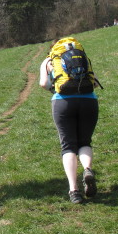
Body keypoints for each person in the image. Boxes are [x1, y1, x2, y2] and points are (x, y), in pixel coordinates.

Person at [39, 39, 100, 204]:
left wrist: (55, 88)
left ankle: (74, 190)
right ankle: (87, 169)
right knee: (85, 142)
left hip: (63, 102)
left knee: (68, 146)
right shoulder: (84, 57)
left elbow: (43, 83)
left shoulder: (49, 60)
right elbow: (93, 82)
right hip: (89, 102)